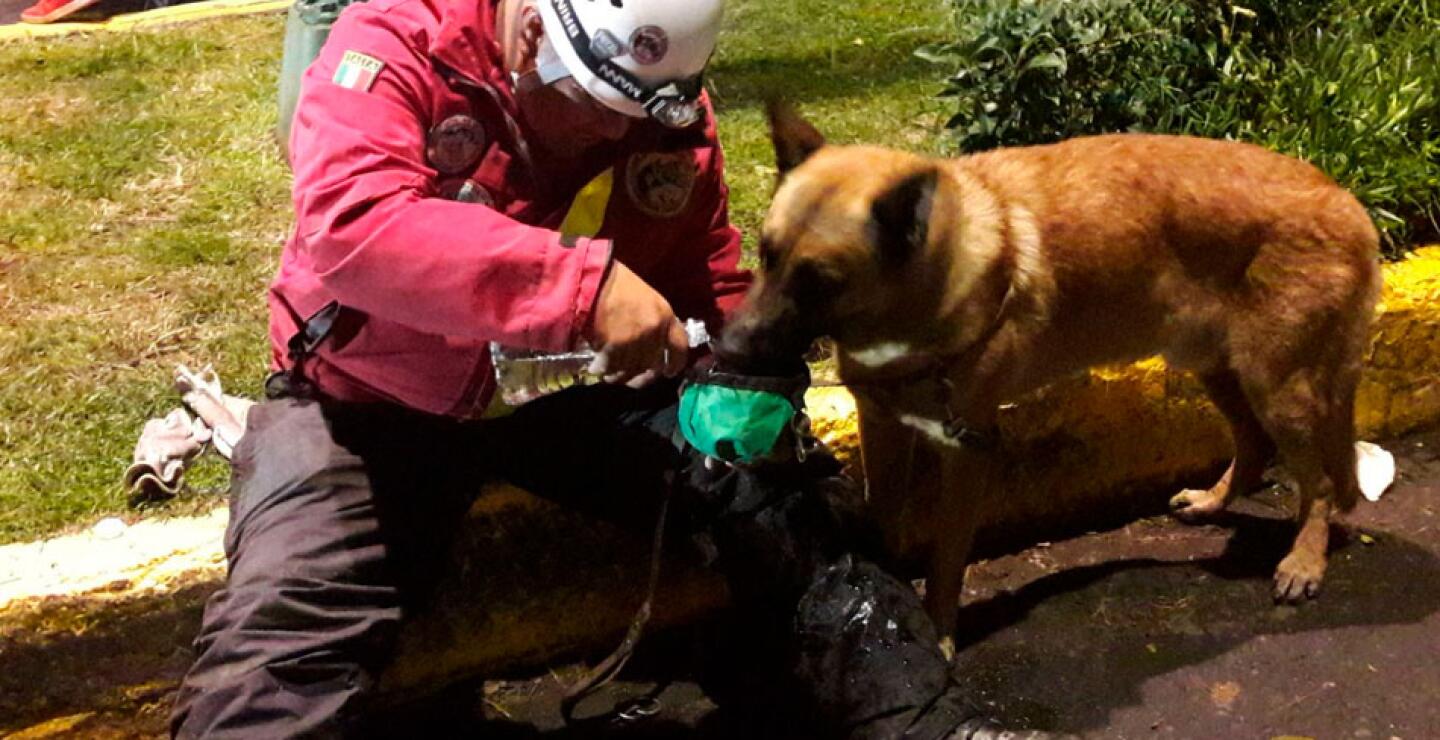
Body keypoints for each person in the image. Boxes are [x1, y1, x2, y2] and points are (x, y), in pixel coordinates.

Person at [169, 0, 1051, 737]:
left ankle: (920, 721)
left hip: (577, 389)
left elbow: (704, 263)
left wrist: (752, 374)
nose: (607, 129)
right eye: (587, 98)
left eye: (635, 111)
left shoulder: (660, 109)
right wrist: (581, 286)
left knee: (797, 517)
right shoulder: (397, 44)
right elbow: (355, 231)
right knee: (280, 644)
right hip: (371, 400)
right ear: (526, 30)